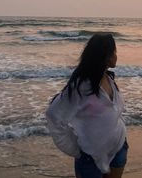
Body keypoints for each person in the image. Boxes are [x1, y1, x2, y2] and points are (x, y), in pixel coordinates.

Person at [46, 33, 129, 178]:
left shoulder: (109, 78)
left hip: (118, 148)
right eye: (114, 52)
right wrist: (75, 148)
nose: (116, 56)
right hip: (90, 158)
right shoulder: (81, 86)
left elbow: (113, 112)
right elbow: (54, 115)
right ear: (105, 56)